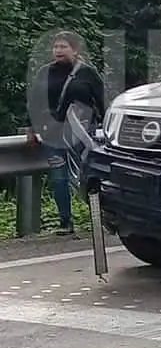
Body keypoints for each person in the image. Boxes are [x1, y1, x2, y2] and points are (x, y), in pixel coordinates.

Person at [26, 31, 106, 235]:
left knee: (84, 176)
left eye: (63, 47)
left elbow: (101, 102)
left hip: (81, 134)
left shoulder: (87, 73)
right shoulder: (45, 72)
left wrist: (106, 128)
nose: (58, 51)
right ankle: (65, 221)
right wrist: (31, 129)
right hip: (52, 135)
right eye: (56, 47)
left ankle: (100, 219)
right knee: (59, 178)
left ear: (75, 50)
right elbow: (34, 101)